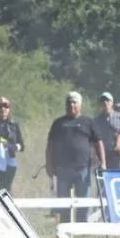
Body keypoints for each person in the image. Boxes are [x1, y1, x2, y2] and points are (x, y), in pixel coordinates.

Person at [45, 92, 106, 223]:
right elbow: (50, 145)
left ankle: (81, 226)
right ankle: (65, 226)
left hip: (82, 168)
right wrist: (49, 164)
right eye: (69, 102)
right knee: (63, 200)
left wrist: (103, 162)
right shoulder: (58, 123)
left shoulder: (88, 122)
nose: (71, 105)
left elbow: (98, 142)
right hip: (62, 168)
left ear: (80, 105)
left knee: (83, 200)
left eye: (74, 102)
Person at [93, 92, 120, 171]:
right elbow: (94, 138)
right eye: (103, 100)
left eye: (107, 100)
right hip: (103, 154)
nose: (105, 102)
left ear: (112, 102)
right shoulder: (96, 120)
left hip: (118, 154)